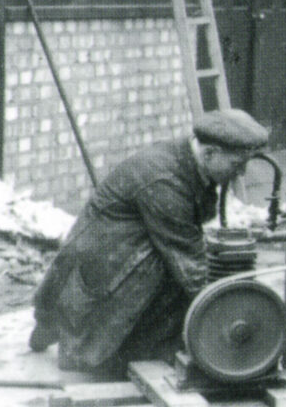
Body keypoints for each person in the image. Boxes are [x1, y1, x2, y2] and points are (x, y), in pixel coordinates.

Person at [29, 108, 270, 375]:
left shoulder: (186, 158)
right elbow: (191, 268)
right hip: (101, 273)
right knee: (170, 280)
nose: (242, 173)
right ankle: (86, 348)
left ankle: (58, 325)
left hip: (96, 263)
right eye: (237, 165)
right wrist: (233, 319)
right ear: (210, 153)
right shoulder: (165, 182)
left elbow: (197, 223)